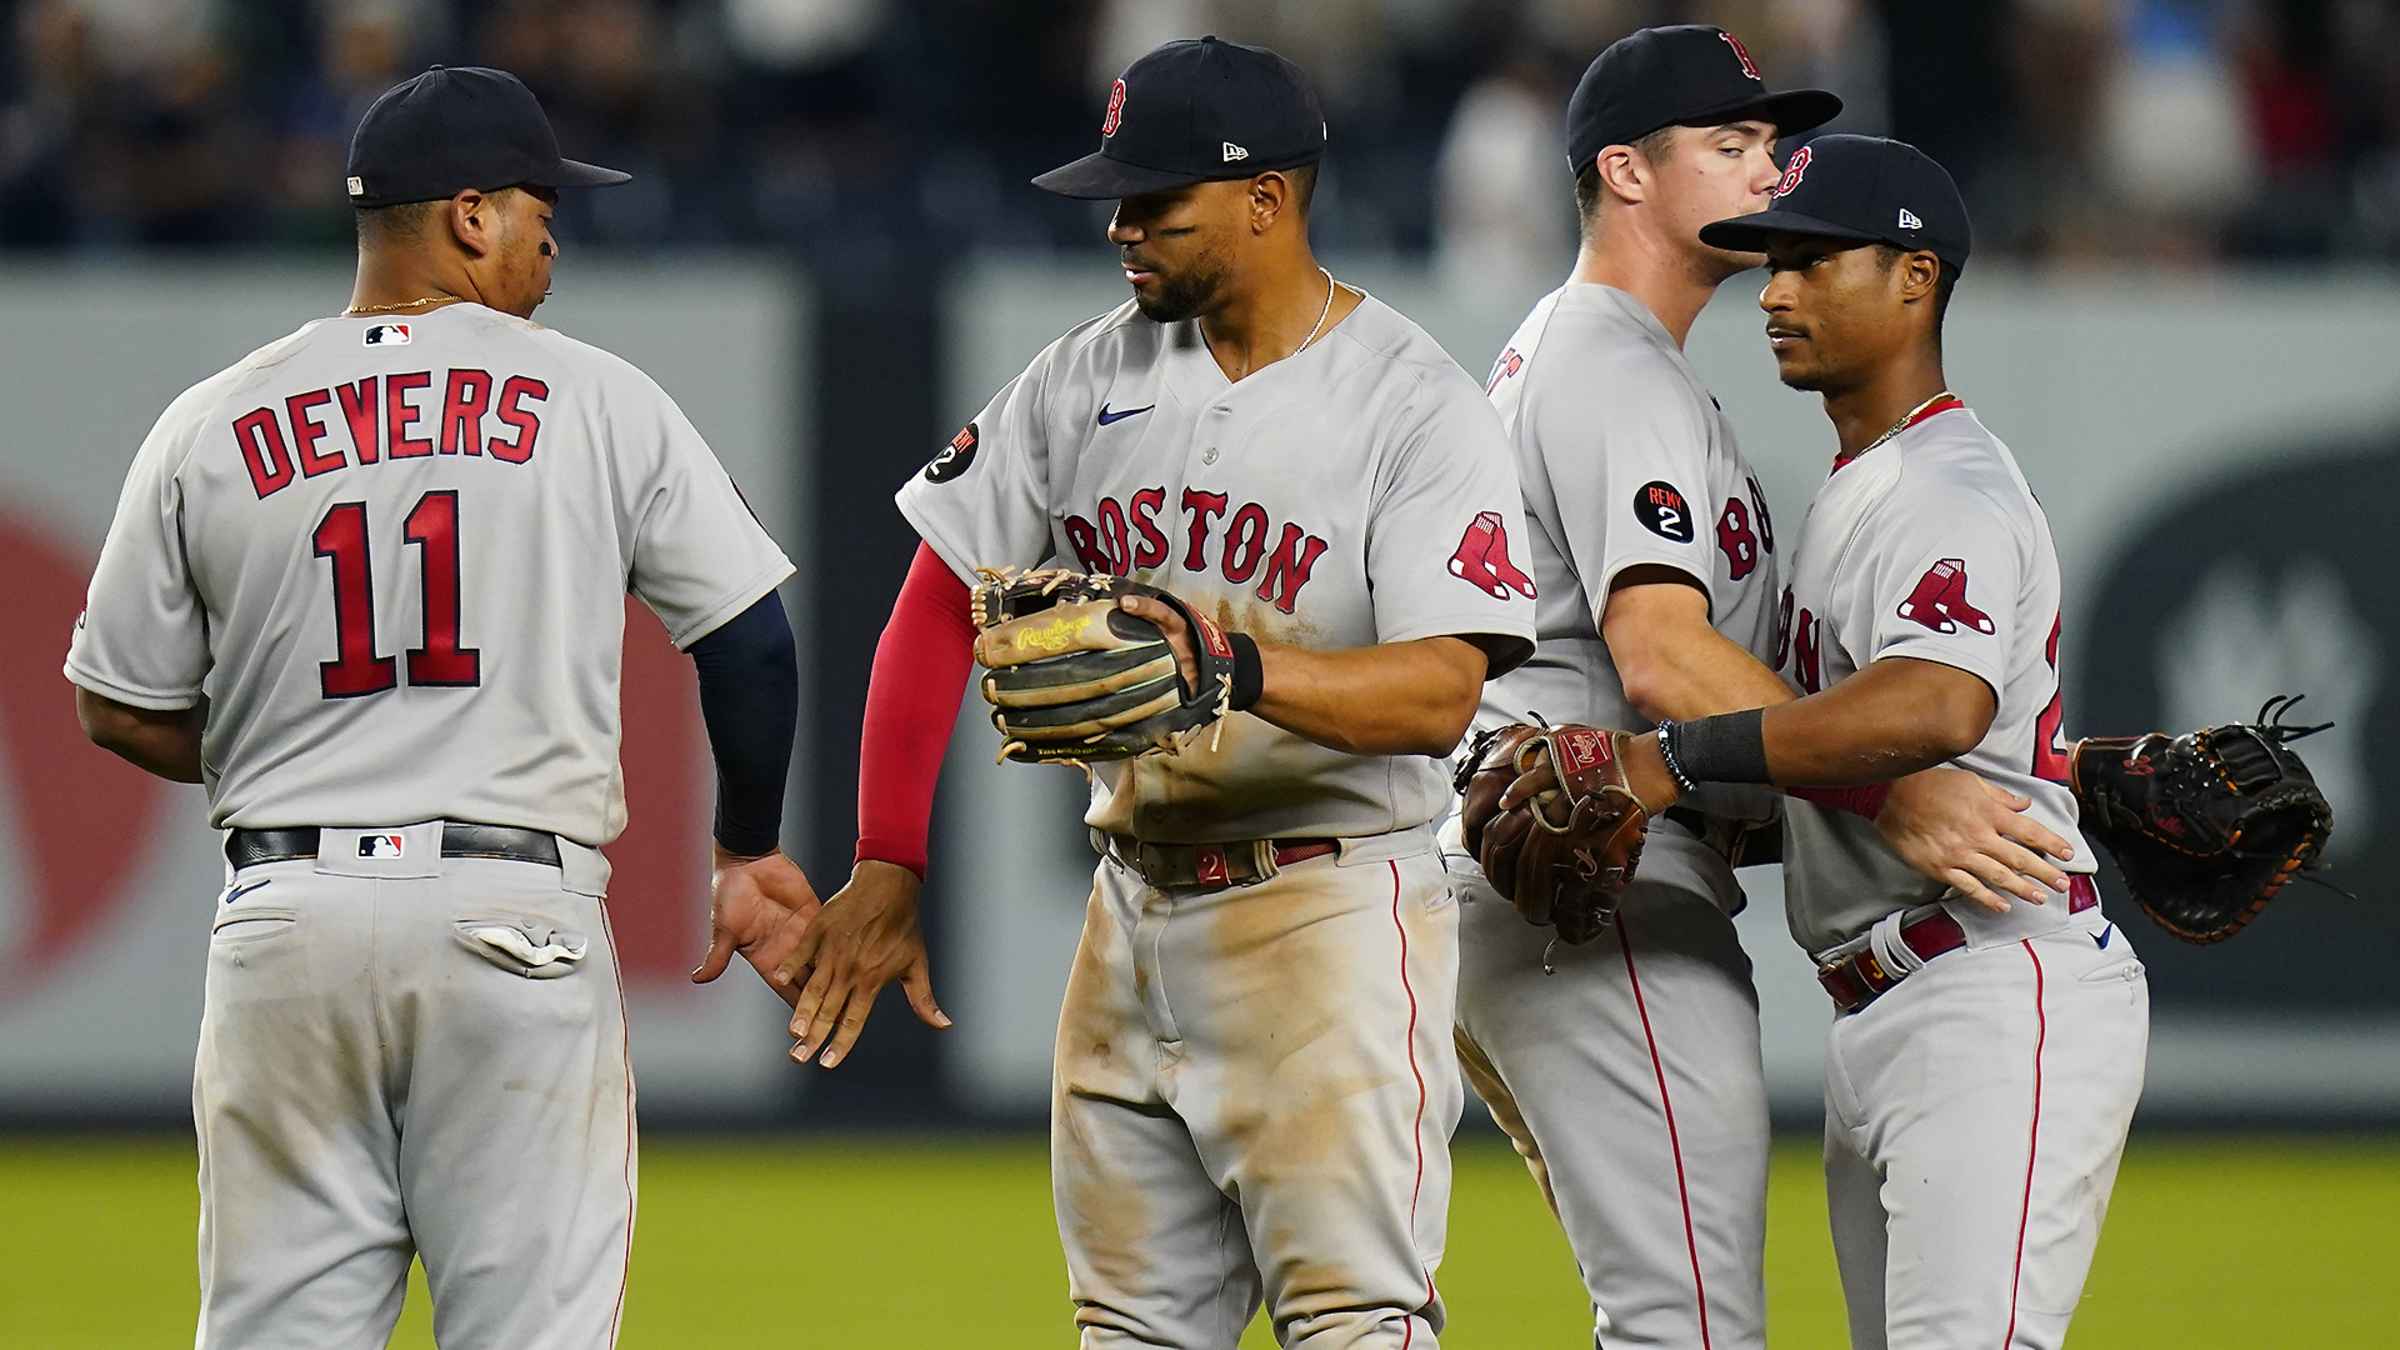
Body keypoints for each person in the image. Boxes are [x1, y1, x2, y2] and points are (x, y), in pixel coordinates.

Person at [763, 36, 1536, 1348]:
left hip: (1331, 915)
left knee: (1358, 1321)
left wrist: (1232, 667)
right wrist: (887, 858)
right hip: (1131, 916)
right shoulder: (1081, 378)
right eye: (1115, 197)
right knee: (1126, 1326)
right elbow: (933, 605)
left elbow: (1440, 689)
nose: (1121, 226)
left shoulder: (1412, 404)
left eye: (1154, 199)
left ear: (1266, 198)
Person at [65, 66, 815, 1349]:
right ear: (469, 216)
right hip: (507, 923)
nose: (553, 232)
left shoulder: (215, 415)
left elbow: (114, 705)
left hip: (283, 924)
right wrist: (746, 847)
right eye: (537, 206)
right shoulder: (594, 395)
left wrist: (289, 753)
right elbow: (749, 645)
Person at [1451, 30, 2083, 1350]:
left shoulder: (1624, 364)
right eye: (1728, 142)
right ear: (1625, 171)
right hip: (1603, 870)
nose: (1768, 160)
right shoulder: (1608, 358)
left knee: (1677, 1310)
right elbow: (1664, 662)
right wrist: (1900, 794)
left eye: (1767, 140)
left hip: (1589, 858)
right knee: (1686, 1322)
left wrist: (2078, 773)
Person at [1597, 133, 2146, 1349]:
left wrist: (1672, 763)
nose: (1776, 292)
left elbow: (1931, 709)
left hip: (1993, 985)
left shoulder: (1945, 483)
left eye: (1812, 260)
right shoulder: (1865, 482)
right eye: (1769, 263)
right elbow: (1874, 746)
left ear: (1914, 277)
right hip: (1887, 998)